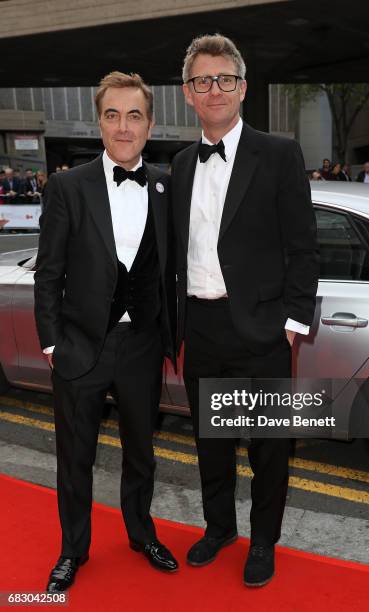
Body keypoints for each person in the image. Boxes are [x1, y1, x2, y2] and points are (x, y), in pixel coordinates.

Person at [172, 34, 319, 588]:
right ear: (188, 93)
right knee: (210, 443)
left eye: (224, 79)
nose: (214, 89)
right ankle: (219, 529)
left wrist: (291, 324)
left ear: (243, 87)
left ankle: (263, 542)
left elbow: (303, 247)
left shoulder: (278, 153)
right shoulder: (181, 164)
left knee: (268, 448)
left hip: (262, 331)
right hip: (202, 327)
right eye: (202, 80)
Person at [34, 71, 178, 593]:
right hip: (80, 347)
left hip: (141, 345)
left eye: (134, 115)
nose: (123, 126)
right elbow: (48, 273)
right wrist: (52, 343)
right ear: (99, 122)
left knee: (142, 451)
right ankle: (73, 549)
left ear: (150, 123)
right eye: (112, 115)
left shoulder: (165, 185)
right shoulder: (68, 186)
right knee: (76, 456)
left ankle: (141, 534)